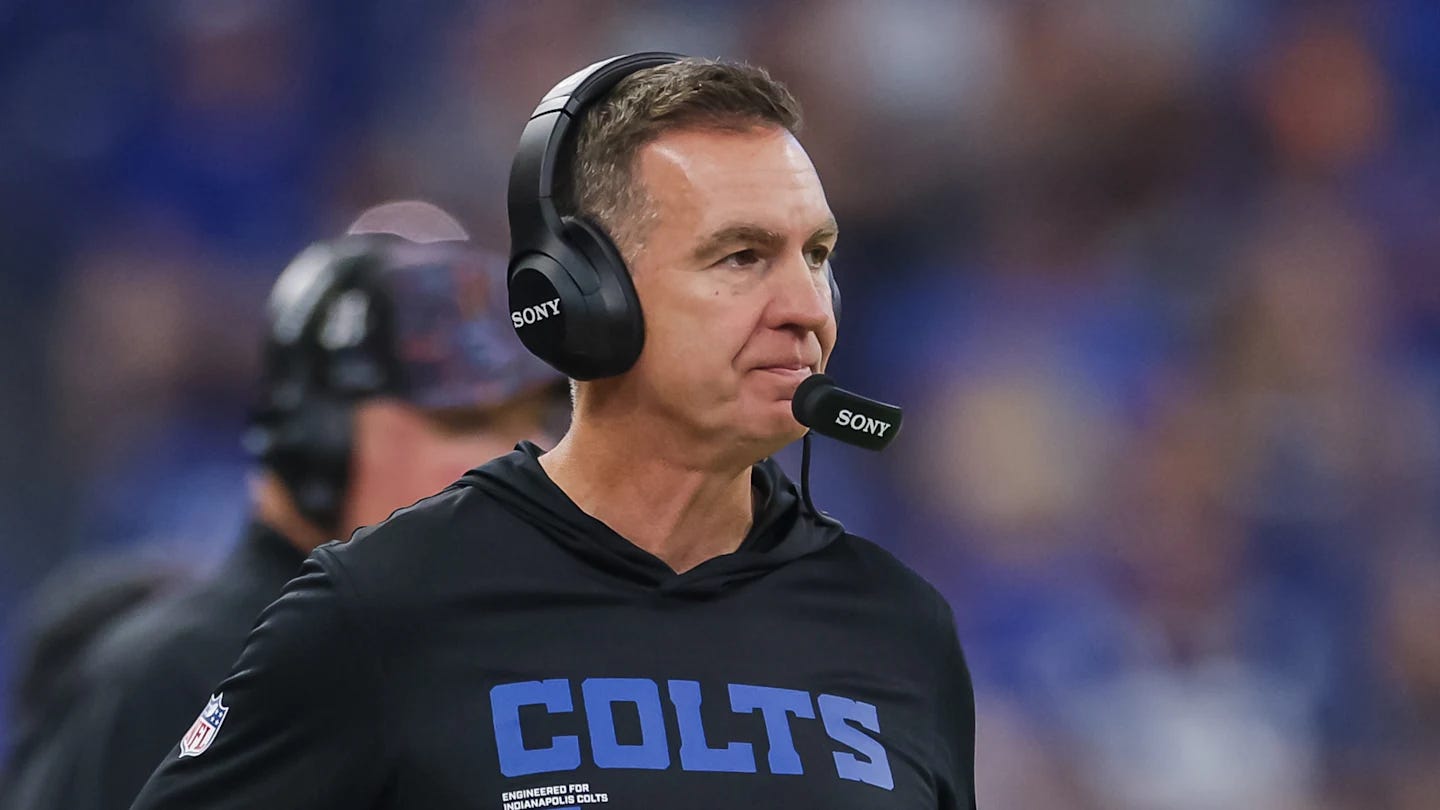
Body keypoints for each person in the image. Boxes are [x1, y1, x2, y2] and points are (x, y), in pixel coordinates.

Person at [131, 56, 977, 809]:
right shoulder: (383, 610)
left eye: (817, 255)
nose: (805, 308)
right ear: (585, 298)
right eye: (741, 257)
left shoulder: (901, 630)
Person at [0, 201, 567, 810]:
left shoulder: (499, 668)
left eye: (537, 420)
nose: (524, 455)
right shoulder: (172, 680)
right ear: (317, 443)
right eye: (465, 422)